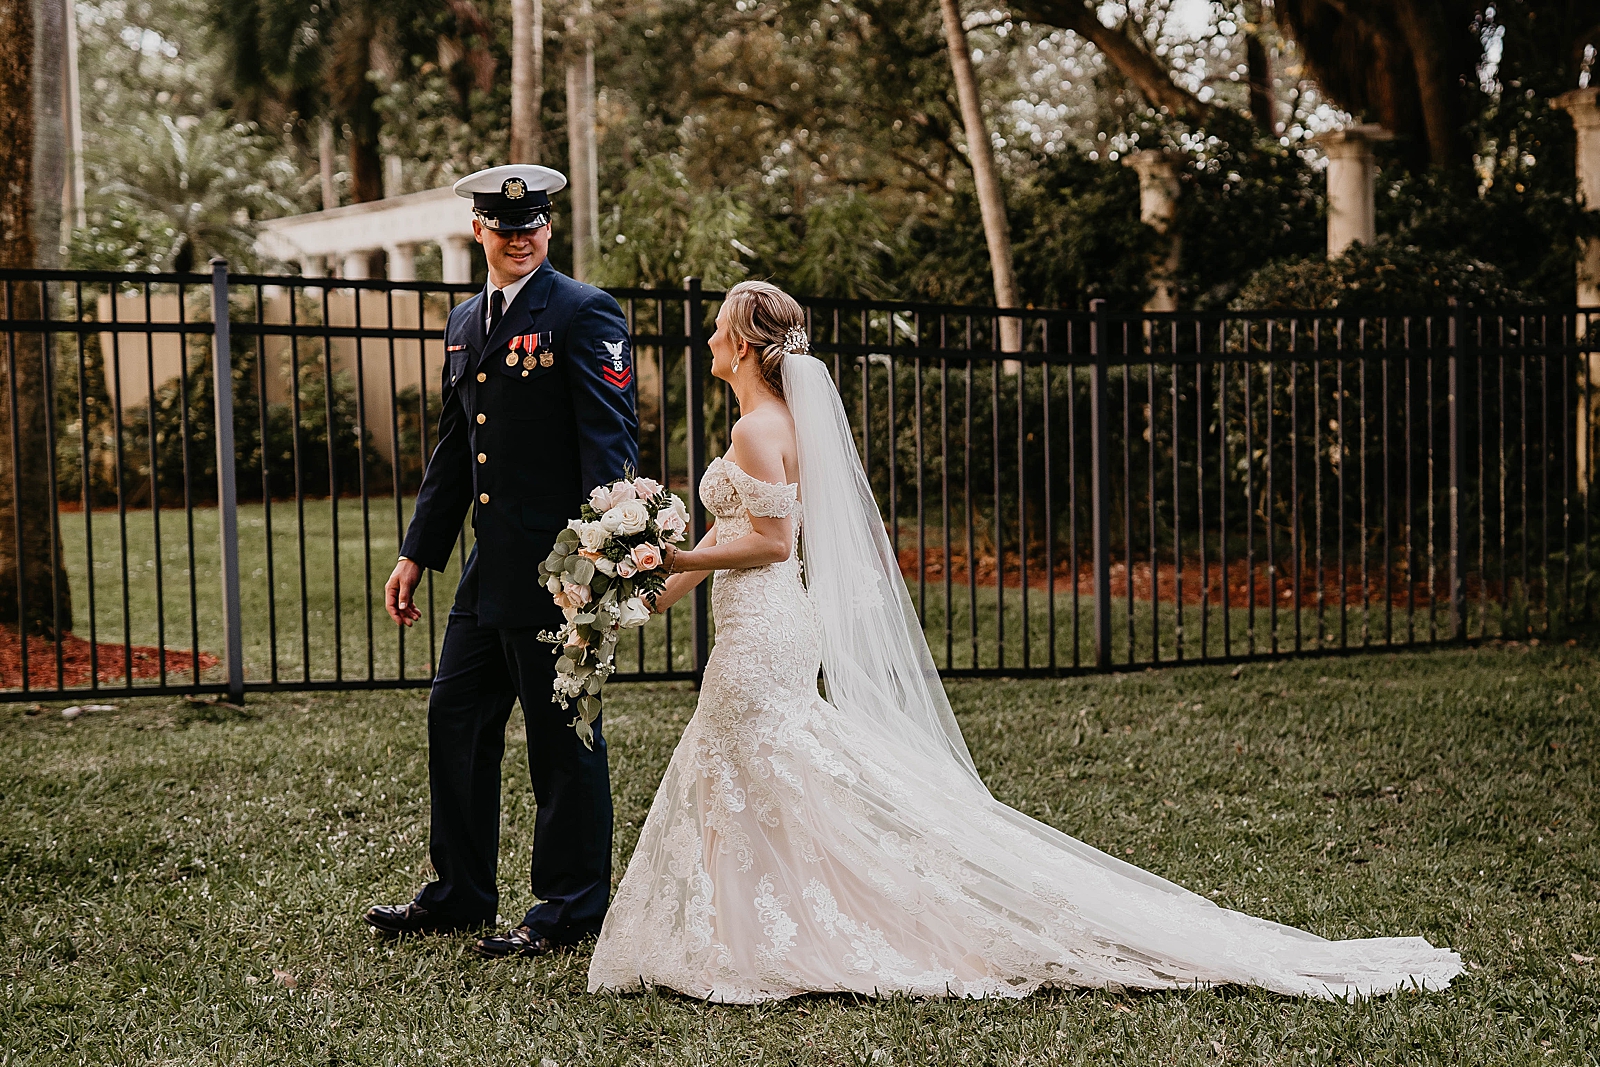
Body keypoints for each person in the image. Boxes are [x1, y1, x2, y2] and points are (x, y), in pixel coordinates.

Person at [586, 280, 1463, 1002]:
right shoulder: (777, 422)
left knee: (762, 756)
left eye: (717, 329)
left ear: (743, 343)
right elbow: (724, 530)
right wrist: (656, 587)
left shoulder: (754, 427)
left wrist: (679, 553)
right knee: (753, 762)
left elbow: (774, 544)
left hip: (769, 621)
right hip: (763, 616)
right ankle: (747, 921)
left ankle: (776, 928)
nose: (707, 339)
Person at [368, 164, 638, 960]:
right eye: (504, 226)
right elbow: (457, 450)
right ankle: (459, 893)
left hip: (561, 566)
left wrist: (598, 560)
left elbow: (609, 443)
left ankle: (570, 906)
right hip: (489, 569)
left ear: (548, 230)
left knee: (563, 739)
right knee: (456, 718)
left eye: (533, 226)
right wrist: (418, 554)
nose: (520, 238)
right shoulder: (463, 321)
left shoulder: (585, 312)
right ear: (478, 231)